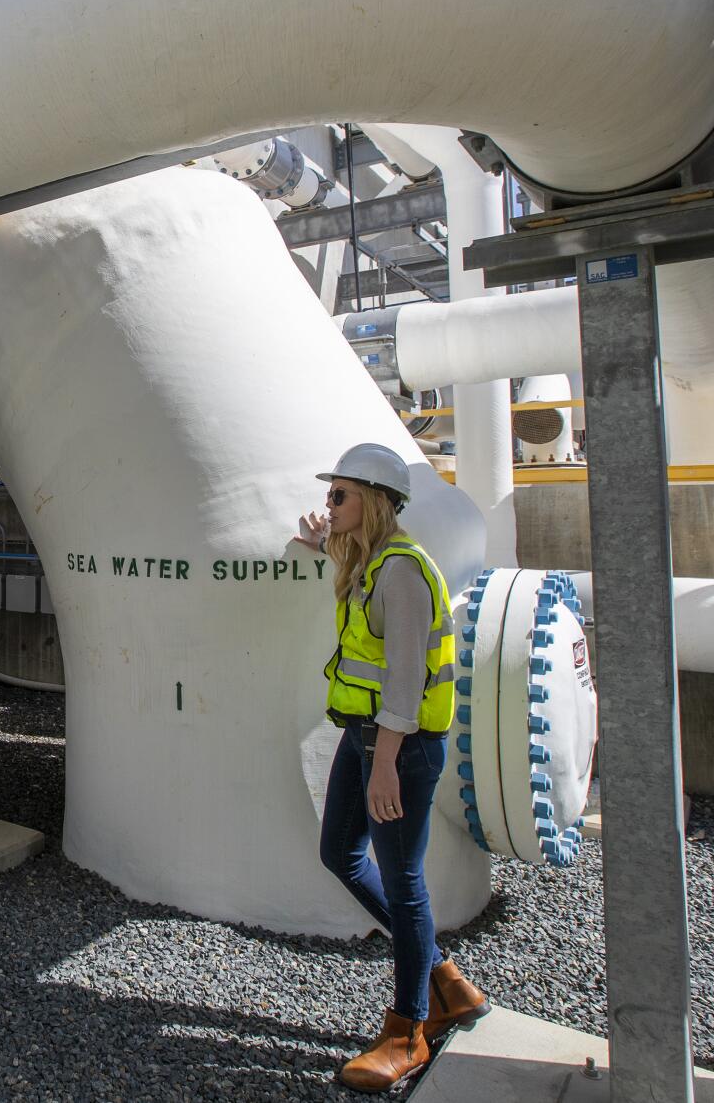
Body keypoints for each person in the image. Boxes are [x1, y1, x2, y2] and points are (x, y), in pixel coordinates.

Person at [294, 442, 490, 1093]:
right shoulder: (372, 562)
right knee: (339, 854)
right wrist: (325, 542)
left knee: (404, 884)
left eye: (340, 495)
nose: (330, 504)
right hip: (367, 737)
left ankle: (408, 1030)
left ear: (375, 501)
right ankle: (443, 977)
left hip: (397, 748)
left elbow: (404, 683)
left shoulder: (402, 572)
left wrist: (383, 765)